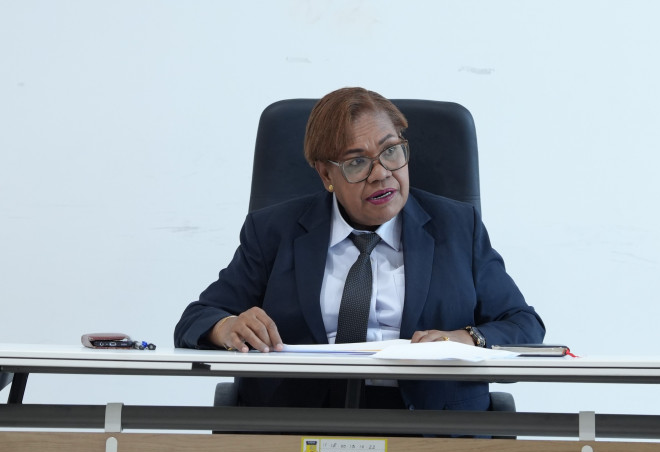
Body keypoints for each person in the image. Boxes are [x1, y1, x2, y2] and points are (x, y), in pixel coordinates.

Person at [174, 87, 545, 412]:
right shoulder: (274, 231)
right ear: (326, 174)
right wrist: (227, 328)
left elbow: (524, 325)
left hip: (434, 428)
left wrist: (464, 340)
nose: (381, 173)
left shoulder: (457, 227)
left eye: (391, 152)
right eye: (356, 163)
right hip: (296, 426)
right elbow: (197, 318)